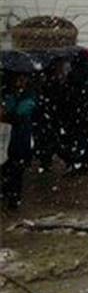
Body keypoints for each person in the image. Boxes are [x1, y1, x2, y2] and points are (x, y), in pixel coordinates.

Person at [1, 70, 38, 210]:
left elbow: (22, 113)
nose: (21, 82)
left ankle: (14, 196)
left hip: (20, 137)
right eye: (19, 79)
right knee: (7, 167)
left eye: (23, 79)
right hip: (8, 137)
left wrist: (9, 115)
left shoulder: (29, 96)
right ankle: (8, 192)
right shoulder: (9, 94)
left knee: (16, 168)